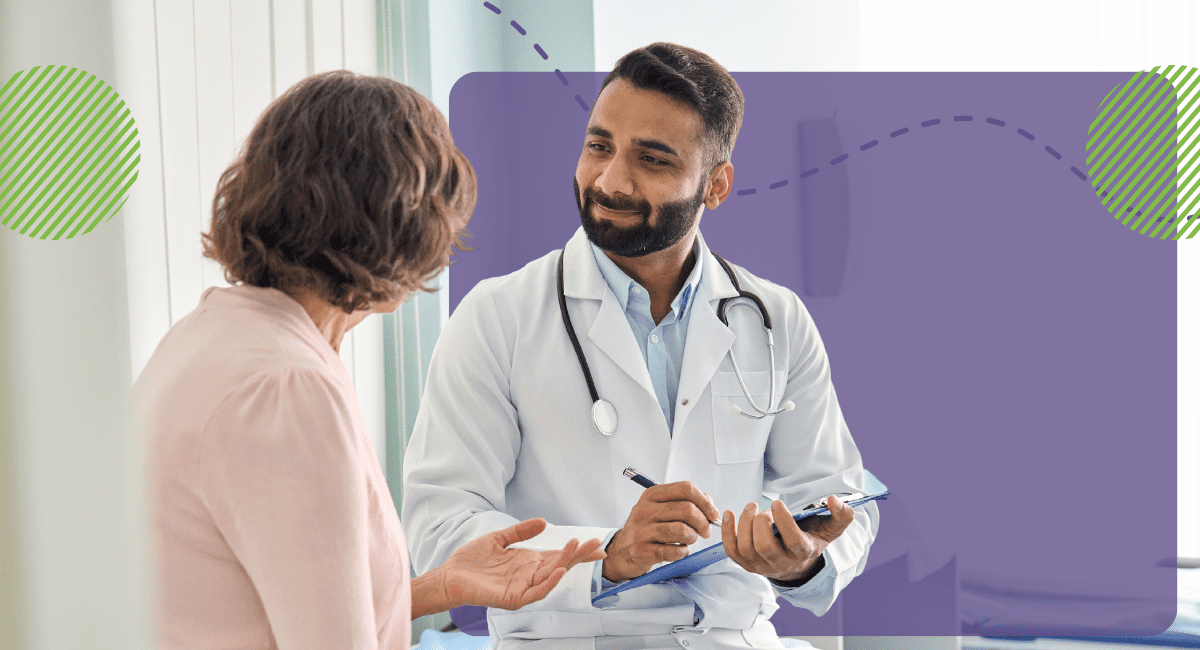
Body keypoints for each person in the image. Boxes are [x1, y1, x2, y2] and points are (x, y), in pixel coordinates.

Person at [402, 43, 879, 650]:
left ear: (716, 185)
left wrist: (802, 562)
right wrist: (608, 552)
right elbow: (441, 528)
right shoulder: (499, 318)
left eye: (652, 160)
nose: (610, 180)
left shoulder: (775, 319)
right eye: (599, 146)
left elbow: (840, 500)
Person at [133, 71, 604, 650]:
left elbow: (271, 605)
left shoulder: (207, 336)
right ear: (402, 230)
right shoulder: (289, 388)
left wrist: (442, 585)